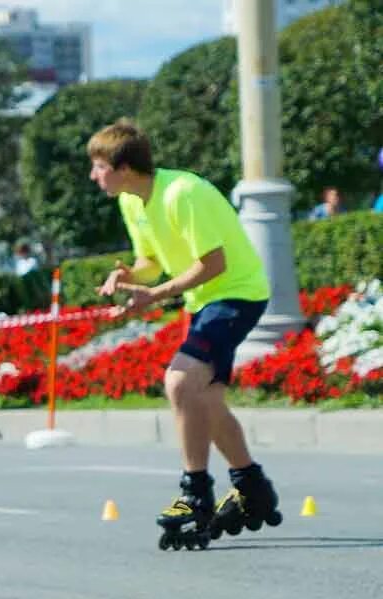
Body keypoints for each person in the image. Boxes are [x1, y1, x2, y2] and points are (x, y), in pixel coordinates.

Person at [88, 119, 281, 549]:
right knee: (205, 398)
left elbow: (214, 264)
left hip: (237, 294)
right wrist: (128, 275)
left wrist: (154, 295)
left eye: (99, 166)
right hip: (206, 303)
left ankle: (196, 494)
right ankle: (252, 487)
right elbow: (152, 260)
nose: (94, 175)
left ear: (122, 166)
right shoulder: (132, 203)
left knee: (179, 382)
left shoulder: (182, 193)